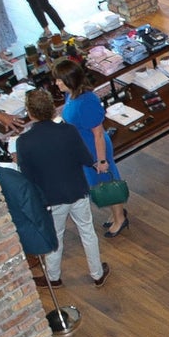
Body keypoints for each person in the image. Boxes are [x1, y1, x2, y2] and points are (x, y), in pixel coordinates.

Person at [16, 88, 111, 288]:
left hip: (51, 198)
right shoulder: (68, 131)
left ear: (30, 113)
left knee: (56, 236)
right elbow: (85, 158)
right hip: (77, 190)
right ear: (52, 109)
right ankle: (97, 273)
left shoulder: (24, 142)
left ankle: (53, 277)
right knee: (87, 231)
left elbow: (27, 176)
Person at [51, 59, 128, 237]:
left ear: (70, 80)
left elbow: (98, 134)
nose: (57, 83)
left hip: (95, 149)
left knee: (107, 182)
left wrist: (101, 160)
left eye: (60, 80)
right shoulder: (71, 95)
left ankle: (120, 218)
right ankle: (116, 212)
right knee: (99, 182)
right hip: (84, 149)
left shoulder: (86, 102)